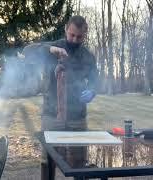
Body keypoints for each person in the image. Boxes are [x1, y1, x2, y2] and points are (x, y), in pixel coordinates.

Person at [21, 15, 98, 180]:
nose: (75, 40)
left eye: (79, 37)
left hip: (78, 118)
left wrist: (91, 92)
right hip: (51, 116)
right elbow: (27, 51)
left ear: (85, 35)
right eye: (72, 35)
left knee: (79, 162)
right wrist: (50, 50)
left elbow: (95, 81)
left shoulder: (88, 57)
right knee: (48, 161)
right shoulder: (53, 47)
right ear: (66, 30)